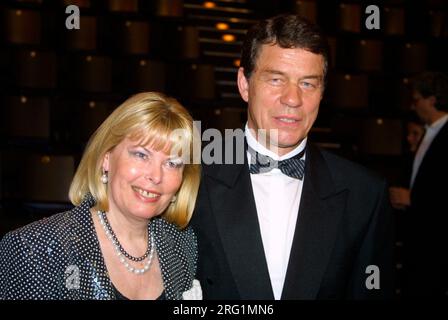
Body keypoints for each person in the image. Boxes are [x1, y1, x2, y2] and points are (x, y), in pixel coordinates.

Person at [190, 14, 394, 299]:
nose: (293, 99)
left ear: (323, 92)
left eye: (308, 84)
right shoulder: (188, 176)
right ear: (244, 85)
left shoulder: (365, 195)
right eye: (276, 80)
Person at [0, 92, 202, 300]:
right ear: (106, 158)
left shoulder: (183, 244)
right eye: (141, 155)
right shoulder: (34, 248)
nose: (156, 176)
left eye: (172, 164)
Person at [390, 72, 448, 298]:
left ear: (432, 100)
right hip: (419, 237)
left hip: (437, 243)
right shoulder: (428, 132)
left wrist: (413, 199)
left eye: (416, 100)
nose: (413, 106)